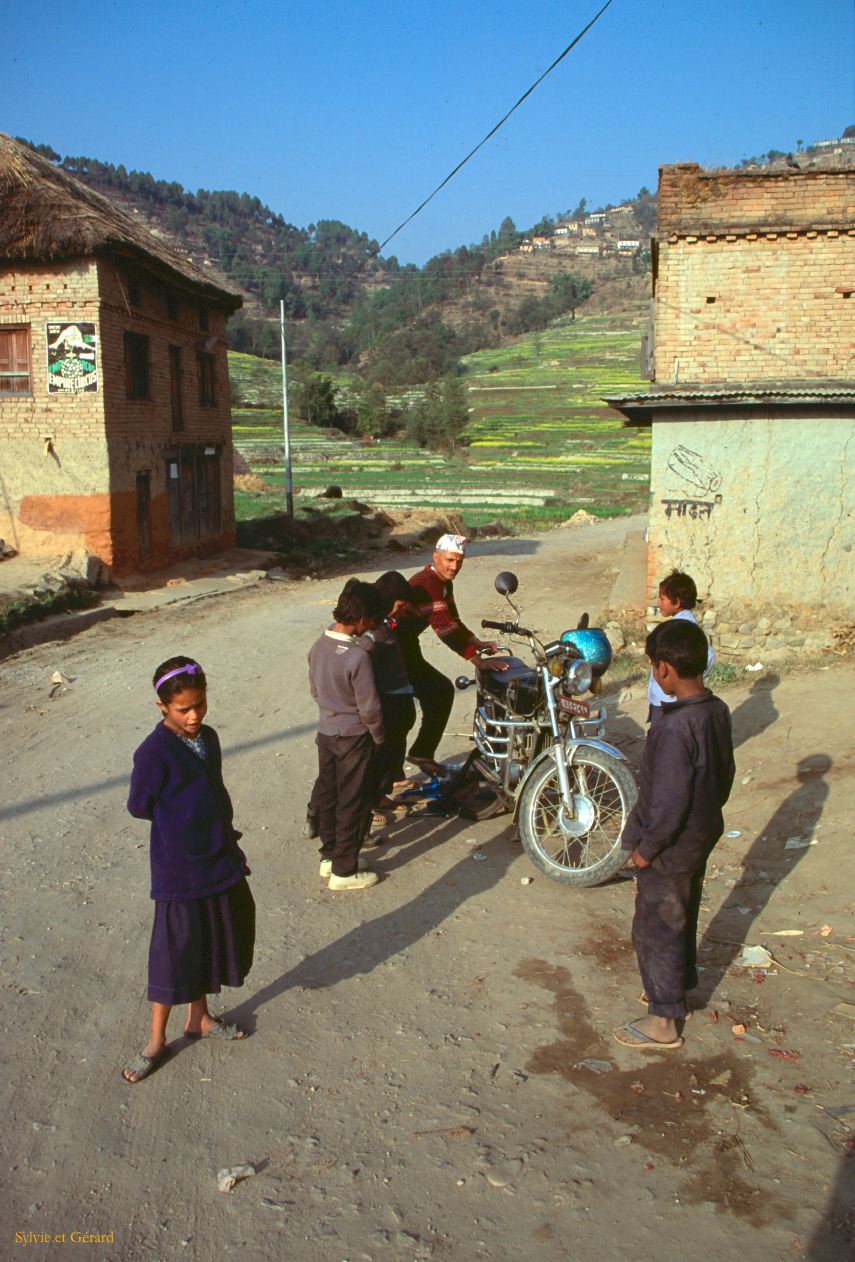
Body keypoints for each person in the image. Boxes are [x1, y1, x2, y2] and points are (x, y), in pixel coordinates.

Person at [122, 656, 254, 1084]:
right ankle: (155, 1040)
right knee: (174, 951)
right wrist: (181, 823)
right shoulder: (153, 753)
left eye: (199, 704)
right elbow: (139, 805)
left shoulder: (208, 738)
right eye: (183, 709)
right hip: (179, 869)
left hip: (218, 856)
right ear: (162, 706)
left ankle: (200, 1018)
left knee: (209, 938)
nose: (194, 715)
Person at [614, 620, 735, 1051]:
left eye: (653, 666)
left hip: (669, 847)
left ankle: (664, 1021)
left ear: (663, 668)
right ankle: (673, 990)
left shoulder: (673, 729)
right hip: (699, 835)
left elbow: (667, 802)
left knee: (657, 926)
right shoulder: (716, 710)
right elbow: (724, 775)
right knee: (680, 917)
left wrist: (647, 849)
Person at [401, 533, 508, 775]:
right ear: (435, 557)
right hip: (392, 650)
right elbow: (445, 629)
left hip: (406, 647)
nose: (454, 566)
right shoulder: (427, 584)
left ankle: (420, 753)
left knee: (437, 693)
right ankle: (394, 773)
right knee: (403, 709)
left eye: (459, 561)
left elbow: (454, 620)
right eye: (449, 560)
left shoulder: (443, 584)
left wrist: (477, 642)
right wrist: (478, 661)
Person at [308, 580, 385, 890]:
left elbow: (315, 691)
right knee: (353, 802)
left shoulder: (319, 646)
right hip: (354, 738)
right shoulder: (357, 657)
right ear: (363, 619)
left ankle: (329, 857)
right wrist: (378, 736)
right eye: (372, 621)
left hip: (326, 732)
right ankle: (344, 870)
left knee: (329, 795)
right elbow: (369, 707)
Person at [365, 571, 418, 818]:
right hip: (388, 697)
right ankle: (372, 803)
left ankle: (382, 793)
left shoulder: (386, 623)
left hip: (398, 694)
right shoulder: (373, 630)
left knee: (392, 749)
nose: (402, 610)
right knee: (381, 753)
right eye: (399, 605)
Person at [648, 569, 715, 724]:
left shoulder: (681, 630)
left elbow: (709, 656)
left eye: (662, 599)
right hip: (666, 698)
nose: (658, 603)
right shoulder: (680, 626)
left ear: (676, 602)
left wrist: (689, 681)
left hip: (669, 702)